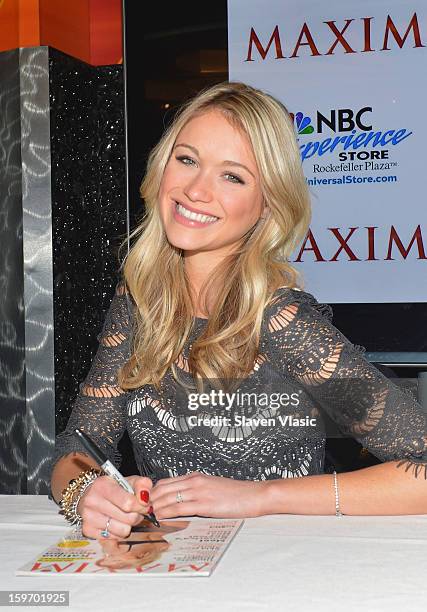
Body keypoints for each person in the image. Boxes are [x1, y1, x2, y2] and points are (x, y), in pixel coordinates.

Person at [50, 81, 427, 541]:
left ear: (267, 205)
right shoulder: (140, 304)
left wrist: (262, 496)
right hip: (173, 571)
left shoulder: (282, 323)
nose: (195, 190)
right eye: (186, 160)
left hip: (282, 572)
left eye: (233, 176)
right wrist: (86, 490)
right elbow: (76, 447)